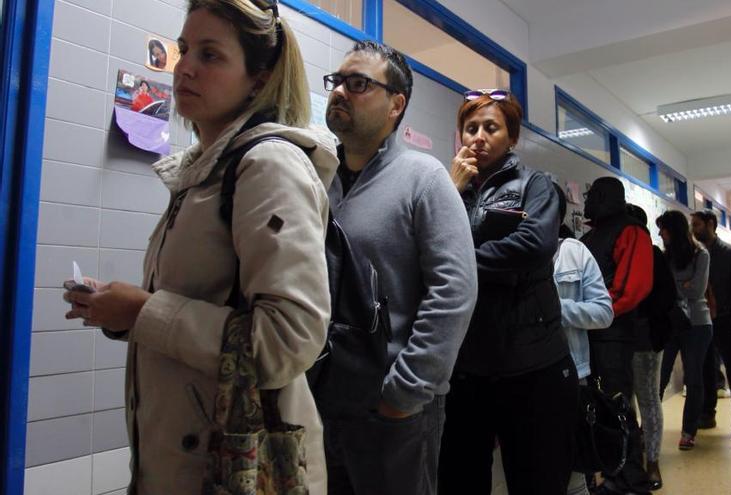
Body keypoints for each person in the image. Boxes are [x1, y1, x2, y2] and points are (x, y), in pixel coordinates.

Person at [64, 1, 335, 492]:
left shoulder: (269, 166)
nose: (184, 66)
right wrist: (123, 312)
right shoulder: (204, 172)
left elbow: (287, 341)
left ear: (259, 77)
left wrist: (144, 312)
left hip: (238, 465)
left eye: (211, 55)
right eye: (185, 48)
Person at [322, 41, 478, 495]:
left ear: (397, 104)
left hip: (391, 406)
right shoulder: (321, 181)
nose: (340, 93)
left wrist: (405, 390)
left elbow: (454, 291)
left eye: (358, 84)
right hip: (327, 397)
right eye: (337, 82)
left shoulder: (424, 179)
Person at [439, 89, 578, 495]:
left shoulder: (536, 185)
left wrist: (457, 263)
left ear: (512, 137)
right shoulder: (450, 189)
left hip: (533, 362)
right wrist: (450, 188)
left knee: (536, 480)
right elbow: (427, 244)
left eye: (491, 127)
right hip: (466, 365)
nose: (478, 136)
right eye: (470, 128)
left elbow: (533, 247)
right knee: (460, 480)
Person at [579, 176, 654, 494]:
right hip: (590, 335)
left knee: (618, 407)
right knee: (594, 409)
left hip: (613, 334)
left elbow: (632, 289)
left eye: (593, 194)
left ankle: (631, 479)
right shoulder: (589, 237)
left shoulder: (631, 232)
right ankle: (608, 473)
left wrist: (590, 313)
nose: (588, 200)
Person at [551, 183, 614, 495]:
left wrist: (555, 309)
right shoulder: (511, 253)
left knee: (575, 470)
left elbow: (604, 313)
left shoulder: (574, 253)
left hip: (572, 374)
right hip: (520, 375)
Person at [690, 210, 731, 440]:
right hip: (703, 321)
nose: (693, 230)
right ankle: (708, 413)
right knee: (707, 369)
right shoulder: (695, 254)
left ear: (710, 224)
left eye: (696, 225)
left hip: (725, 319)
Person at [656, 210, 713, 451]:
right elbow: (661, 289)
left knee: (693, 378)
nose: (660, 233)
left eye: (663, 229)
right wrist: (682, 284)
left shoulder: (701, 253)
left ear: (674, 230)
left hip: (697, 324)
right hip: (671, 322)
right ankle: (649, 426)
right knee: (659, 377)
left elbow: (697, 290)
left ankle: (689, 431)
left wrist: (674, 286)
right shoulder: (665, 256)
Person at [628, 204, 675, 490]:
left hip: (646, 338)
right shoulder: (618, 250)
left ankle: (653, 462)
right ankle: (635, 455)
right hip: (622, 339)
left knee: (648, 400)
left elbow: (664, 298)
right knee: (630, 401)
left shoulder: (651, 254)